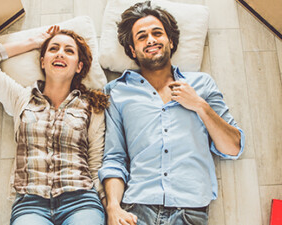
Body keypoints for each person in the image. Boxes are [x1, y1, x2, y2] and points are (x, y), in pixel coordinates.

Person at [98, 1, 245, 225]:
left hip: (190, 210)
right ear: (131, 50)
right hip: (136, 209)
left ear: (171, 41)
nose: (151, 40)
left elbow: (233, 148)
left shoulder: (201, 84)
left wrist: (200, 106)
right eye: (141, 36)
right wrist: (113, 207)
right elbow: (115, 157)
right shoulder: (117, 92)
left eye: (157, 33)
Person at [0, 26, 108, 225]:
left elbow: (95, 164)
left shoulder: (92, 107)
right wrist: (34, 42)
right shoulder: (21, 98)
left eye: (69, 51)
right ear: (43, 62)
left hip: (81, 201)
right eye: (53, 49)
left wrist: (110, 207)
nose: (60, 53)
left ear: (79, 66)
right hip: (30, 205)